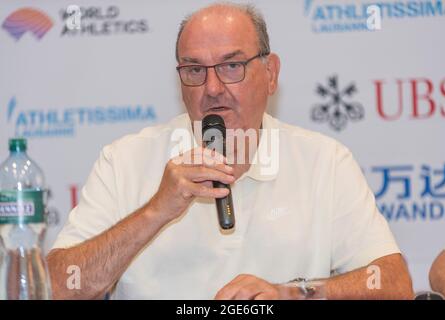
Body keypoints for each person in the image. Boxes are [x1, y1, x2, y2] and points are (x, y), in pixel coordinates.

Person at [47, 2, 414, 300]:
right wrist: (156, 210)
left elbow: (393, 284)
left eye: (231, 66)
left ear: (271, 73)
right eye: (194, 69)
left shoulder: (324, 162)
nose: (212, 87)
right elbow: (60, 287)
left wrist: (292, 293)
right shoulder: (124, 161)